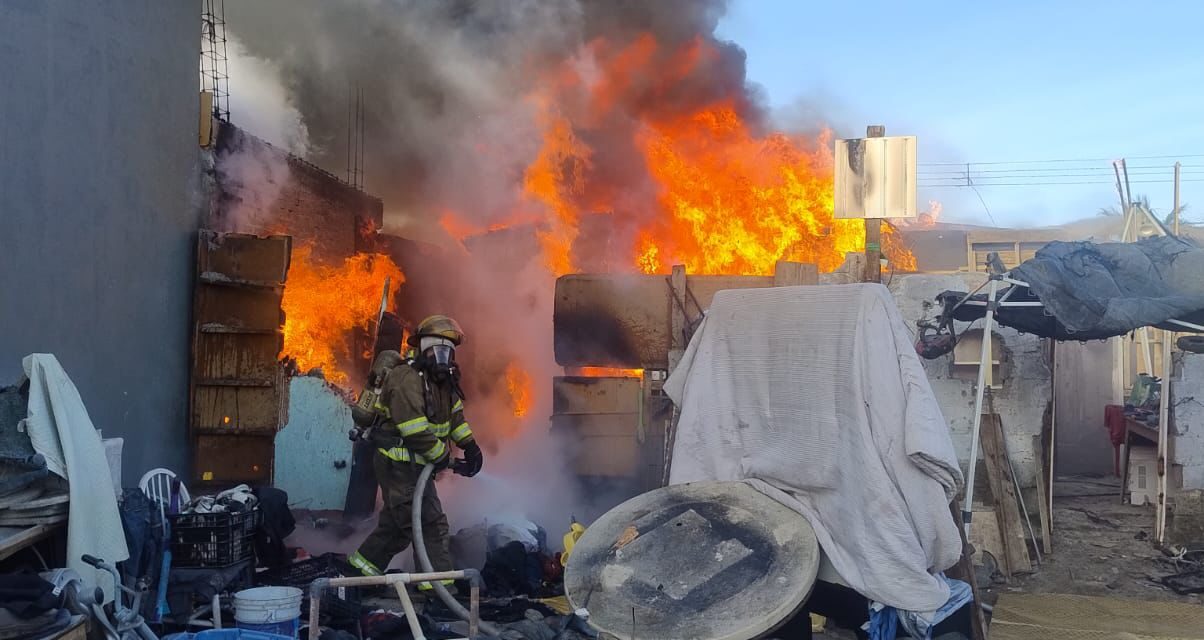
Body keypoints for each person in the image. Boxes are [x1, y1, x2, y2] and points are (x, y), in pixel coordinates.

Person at [347, 315, 485, 590]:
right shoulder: (405, 380)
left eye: (449, 351)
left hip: (417, 468)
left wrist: (470, 446)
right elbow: (415, 431)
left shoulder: (442, 382)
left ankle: (358, 575)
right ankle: (438, 590)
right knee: (430, 524)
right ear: (424, 349)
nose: (444, 358)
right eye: (439, 350)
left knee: (397, 527)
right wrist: (443, 458)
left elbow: (454, 418)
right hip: (397, 466)